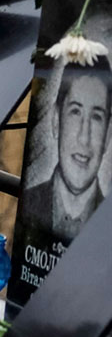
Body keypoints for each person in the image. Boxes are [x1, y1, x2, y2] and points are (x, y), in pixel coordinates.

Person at [22, 67, 111, 240]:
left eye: (97, 117)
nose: (84, 138)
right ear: (56, 120)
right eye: (75, 112)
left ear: (108, 135)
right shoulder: (29, 203)